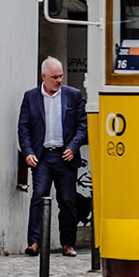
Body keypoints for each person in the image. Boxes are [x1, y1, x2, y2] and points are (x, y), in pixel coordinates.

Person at [18, 58, 88, 256]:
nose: (59, 80)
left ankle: (68, 243)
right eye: (55, 77)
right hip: (42, 157)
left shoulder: (73, 95)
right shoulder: (31, 97)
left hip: (65, 156)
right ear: (43, 77)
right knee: (39, 195)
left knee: (67, 201)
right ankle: (34, 242)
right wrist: (28, 152)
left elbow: (83, 125)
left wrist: (73, 147)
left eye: (61, 76)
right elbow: (23, 127)